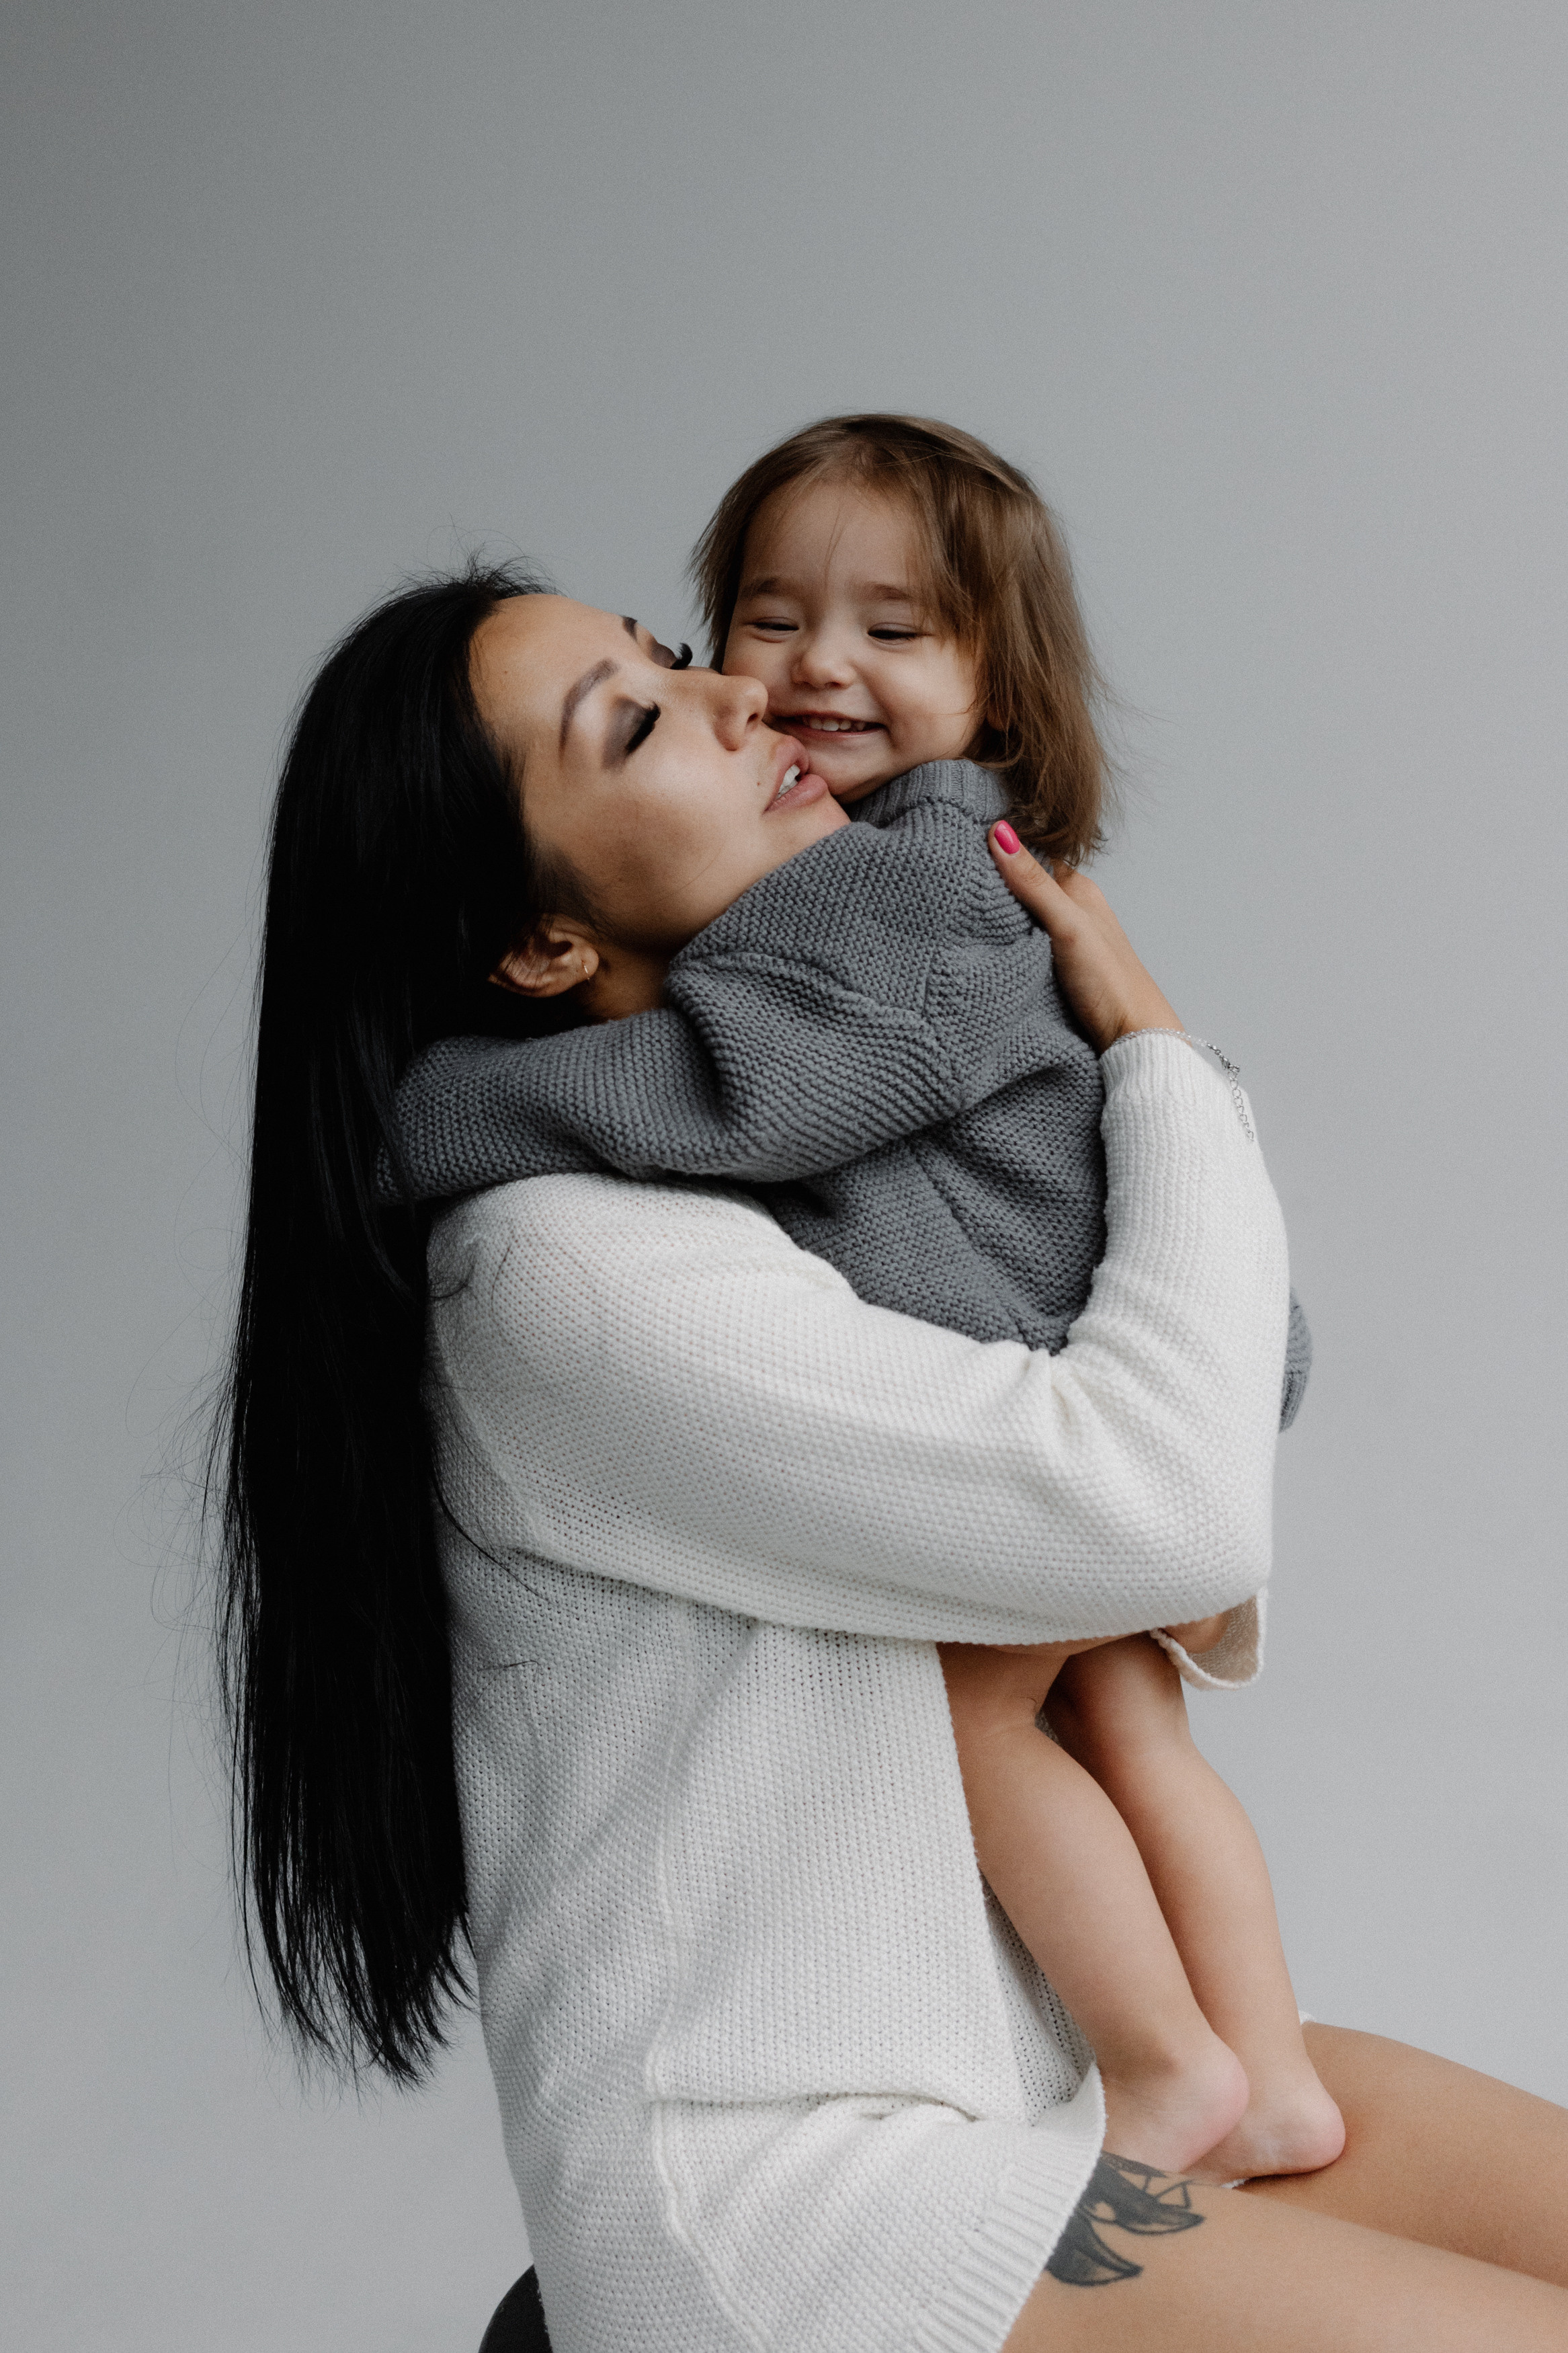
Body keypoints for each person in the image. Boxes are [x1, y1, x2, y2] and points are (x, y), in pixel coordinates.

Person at [214, 560, 1568, 2351]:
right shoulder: (559, 1272)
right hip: (806, 2203)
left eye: (674, 657)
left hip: (1049, 2095)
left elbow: (1148, 1510)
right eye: (634, 722)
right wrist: (1156, 1052)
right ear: (538, 944)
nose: (739, 699)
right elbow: (1162, 1497)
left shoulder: (792, 1169)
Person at [384, 415, 1330, 2182]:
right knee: (1125, 1724)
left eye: (897, 631)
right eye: (749, 621)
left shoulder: (904, 885)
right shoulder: (873, 898)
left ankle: (1169, 2061)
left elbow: (737, 1094)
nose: (801, 677)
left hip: (1052, 1328)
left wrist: (454, 1101)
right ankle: (1253, 2061)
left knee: (981, 1724)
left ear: (997, 684)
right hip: (1062, 1324)